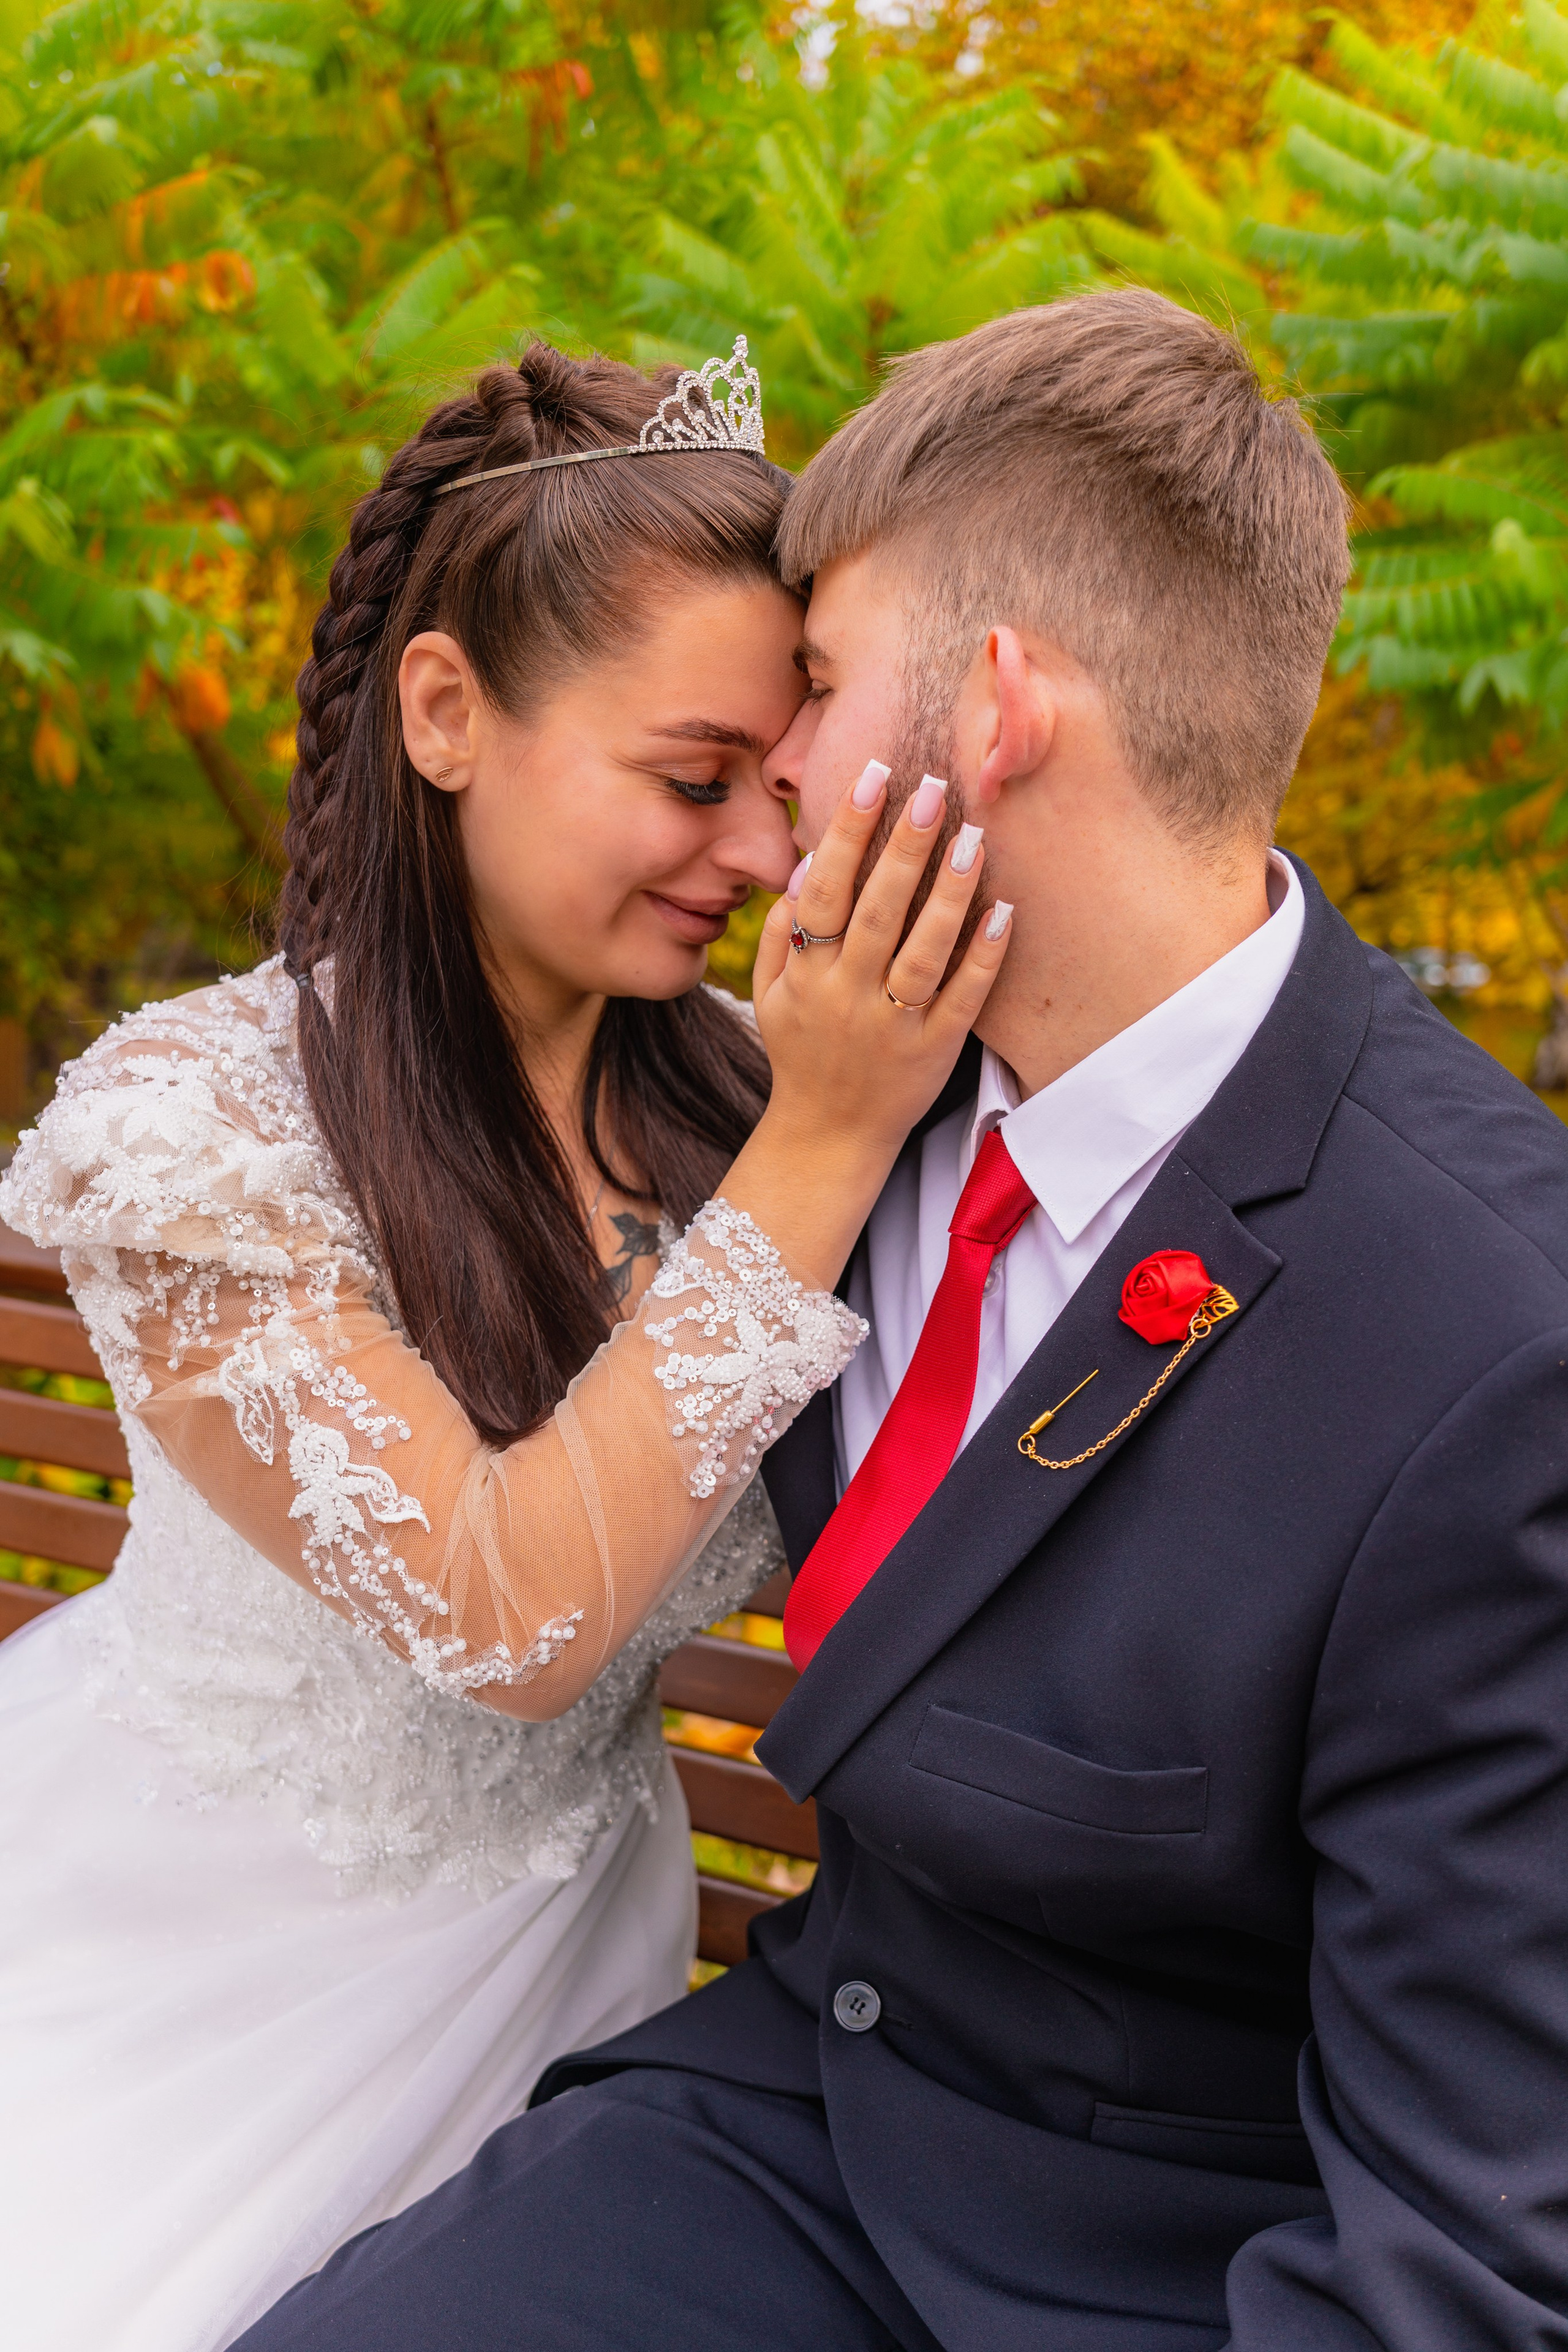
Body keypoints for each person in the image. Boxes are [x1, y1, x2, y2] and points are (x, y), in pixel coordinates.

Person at [239, 287, 1568, 2352]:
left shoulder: (1493, 1340)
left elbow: (1466, 2257)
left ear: (993, 713)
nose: (774, 775)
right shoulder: (826, 1098)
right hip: (799, 2124)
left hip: (1161, 2263)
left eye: (825, 682)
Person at [0, 336, 1009, 2352]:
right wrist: (825, 1143)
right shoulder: (194, 1132)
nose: (757, 858)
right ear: (446, 712)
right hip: (192, 1973)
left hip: (581, 1977)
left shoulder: (750, 1088)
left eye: (780, 790)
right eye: (689, 781)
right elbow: (504, 1608)